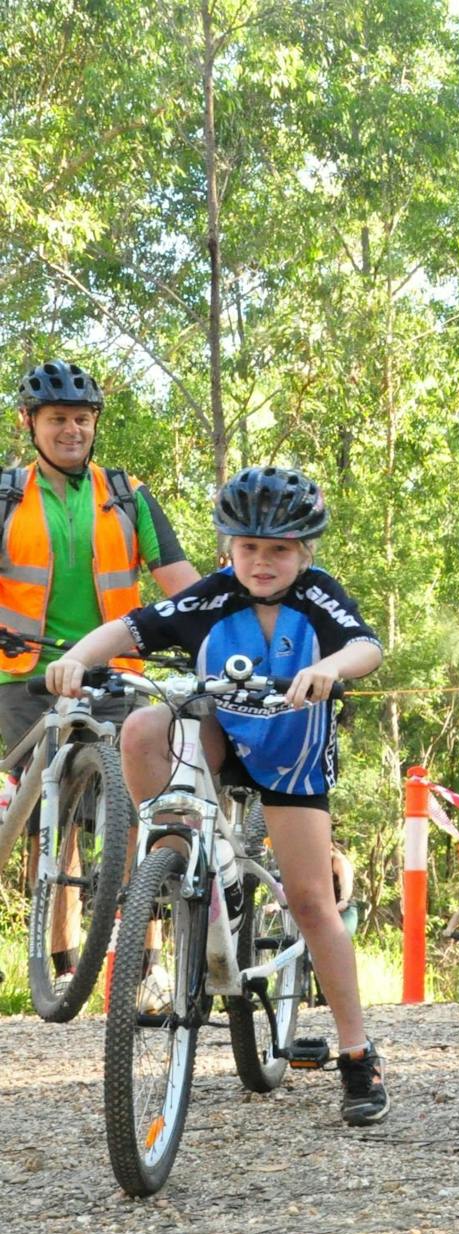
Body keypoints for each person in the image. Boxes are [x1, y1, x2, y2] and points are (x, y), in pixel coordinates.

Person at [45, 466, 390, 1125]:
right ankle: (178, 861)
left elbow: (366, 647)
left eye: (279, 550)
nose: (262, 562)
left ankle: (356, 1053)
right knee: (146, 724)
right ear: (228, 548)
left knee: (313, 903)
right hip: (223, 732)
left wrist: (326, 669)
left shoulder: (318, 596)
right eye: (249, 548)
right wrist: (77, 659)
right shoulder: (213, 597)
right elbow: (133, 627)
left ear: (305, 552)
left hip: (292, 752)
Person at [4, 359, 200, 998]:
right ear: (29, 423)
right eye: (57, 419)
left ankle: (142, 963)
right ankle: (60, 958)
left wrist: (218, 638)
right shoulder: (7, 495)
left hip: (115, 671)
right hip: (24, 672)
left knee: (133, 811)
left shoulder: (125, 493)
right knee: (41, 821)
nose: (71, 431)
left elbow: (179, 582)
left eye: (81, 420)